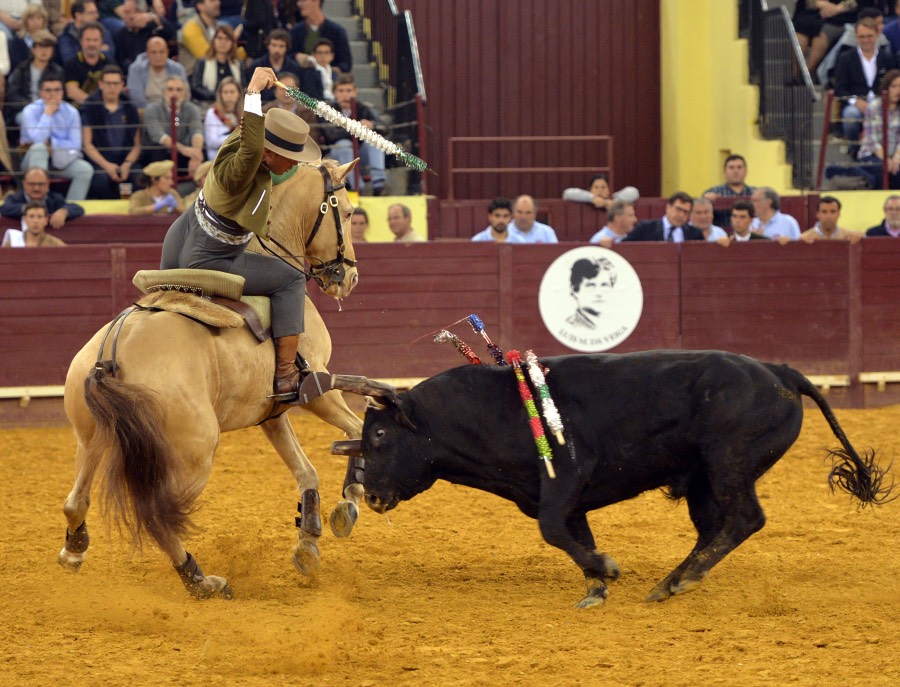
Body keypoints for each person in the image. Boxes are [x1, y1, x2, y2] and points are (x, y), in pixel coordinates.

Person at [160, 66, 323, 401]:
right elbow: (252, 149)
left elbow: (250, 132)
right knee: (291, 278)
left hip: (180, 237)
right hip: (211, 259)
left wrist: (256, 103)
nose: (294, 164)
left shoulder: (236, 141)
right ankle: (286, 374)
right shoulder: (245, 165)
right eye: (290, 157)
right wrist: (252, 91)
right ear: (268, 152)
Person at [20, 75, 95, 201]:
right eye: (48, 90)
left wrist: (52, 144)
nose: (53, 94)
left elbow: (75, 145)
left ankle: (70, 209)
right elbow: (38, 140)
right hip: (31, 163)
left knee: (85, 169)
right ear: (41, 93)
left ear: (62, 92)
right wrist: (48, 113)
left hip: (62, 161)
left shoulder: (71, 112)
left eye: (57, 90)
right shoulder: (30, 111)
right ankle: (37, 207)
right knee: (39, 148)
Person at [834, 17, 897, 153]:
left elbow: (893, 83)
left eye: (870, 36)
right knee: (851, 115)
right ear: (856, 37)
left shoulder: (887, 58)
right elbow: (839, 88)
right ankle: (854, 149)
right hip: (856, 104)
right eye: (862, 36)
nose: (866, 40)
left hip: (881, 103)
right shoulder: (845, 58)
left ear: (877, 36)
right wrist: (856, 101)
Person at [81, 64, 142, 199]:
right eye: (108, 83)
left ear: (122, 85)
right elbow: (87, 145)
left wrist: (127, 164)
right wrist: (106, 166)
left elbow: (137, 144)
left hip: (126, 159)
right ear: (101, 84)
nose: (112, 88)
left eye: (116, 83)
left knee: (139, 177)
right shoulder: (90, 107)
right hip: (100, 160)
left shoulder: (130, 107)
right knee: (100, 181)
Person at [321, 74, 385, 195]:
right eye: (341, 91)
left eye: (349, 91)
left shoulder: (363, 108)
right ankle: (358, 187)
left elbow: (384, 128)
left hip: (360, 155)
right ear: (334, 93)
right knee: (344, 145)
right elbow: (331, 135)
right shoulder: (328, 109)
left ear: (355, 92)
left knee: (375, 141)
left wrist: (373, 125)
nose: (345, 95)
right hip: (336, 157)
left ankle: (378, 184)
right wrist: (356, 128)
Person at [142, 75, 204, 177]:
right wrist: (183, 149)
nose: (174, 93)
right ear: (163, 92)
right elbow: (158, 135)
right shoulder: (152, 109)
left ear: (184, 94)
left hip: (183, 154)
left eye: (179, 90)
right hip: (160, 154)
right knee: (158, 150)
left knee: (202, 152)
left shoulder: (192, 109)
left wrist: (196, 154)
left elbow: (197, 131)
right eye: (170, 89)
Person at [4, 29, 63, 133]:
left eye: (48, 47)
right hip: (25, 109)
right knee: (26, 119)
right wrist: (31, 106)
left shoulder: (57, 71)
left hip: (51, 109)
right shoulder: (21, 69)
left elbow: (61, 95)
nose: (44, 51)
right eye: (40, 46)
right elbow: (12, 96)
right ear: (33, 49)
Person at [249, 28, 323, 103]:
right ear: (268, 46)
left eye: (281, 46)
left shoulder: (295, 68)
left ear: (286, 48)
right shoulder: (257, 66)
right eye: (274, 45)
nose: (277, 50)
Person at [0, 166, 85, 228]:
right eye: (32, 184)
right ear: (24, 184)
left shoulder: (54, 199)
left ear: (48, 184)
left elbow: (79, 209)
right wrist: (28, 209)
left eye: (41, 184)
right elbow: (4, 208)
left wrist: (65, 211)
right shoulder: (15, 198)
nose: (36, 188)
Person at [857, 69, 900, 188]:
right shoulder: (873, 107)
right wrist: (886, 158)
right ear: (887, 87)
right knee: (881, 169)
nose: (898, 90)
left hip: (895, 156)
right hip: (872, 154)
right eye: (894, 86)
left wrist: (896, 158)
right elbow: (872, 140)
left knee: (897, 171)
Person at [112, 0, 176, 74]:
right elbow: (120, 61)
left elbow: (171, 35)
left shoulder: (153, 28)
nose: (125, 16)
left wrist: (154, 18)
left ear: (140, 13)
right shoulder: (120, 35)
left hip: (160, 72)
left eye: (128, 12)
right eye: (125, 12)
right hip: (133, 74)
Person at [188, 22, 245, 104]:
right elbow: (196, 87)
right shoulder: (202, 62)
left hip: (235, 105)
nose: (223, 42)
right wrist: (218, 96)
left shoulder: (238, 64)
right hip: (208, 104)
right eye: (219, 38)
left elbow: (243, 87)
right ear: (213, 40)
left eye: (227, 39)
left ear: (232, 43)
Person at [126, 34, 186, 110]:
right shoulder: (136, 69)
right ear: (147, 53)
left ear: (167, 52)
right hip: (146, 109)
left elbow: (185, 94)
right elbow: (137, 98)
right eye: (154, 52)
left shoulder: (178, 69)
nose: (158, 56)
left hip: (173, 108)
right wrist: (154, 111)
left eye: (161, 52)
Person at [290, 0, 352, 74]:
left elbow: (346, 64)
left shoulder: (337, 31)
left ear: (316, 1)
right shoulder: (295, 31)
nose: (299, 4)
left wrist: (328, 72)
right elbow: (288, 56)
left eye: (303, 0)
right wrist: (297, 56)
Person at [63, 21, 114, 107]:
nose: (92, 44)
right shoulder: (71, 64)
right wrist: (95, 106)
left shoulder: (110, 64)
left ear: (102, 41)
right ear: (81, 41)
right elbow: (72, 91)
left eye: (95, 40)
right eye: (88, 40)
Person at [623, 191, 703, 242]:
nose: (681, 215)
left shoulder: (695, 234)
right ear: (668, 207)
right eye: (678, 209)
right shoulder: (645, 228)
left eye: (686, 212)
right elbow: (624, 247)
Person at [58, 2, 116, 66]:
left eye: (96, 12)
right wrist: (98, 50)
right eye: (91, 13)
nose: (96, 16)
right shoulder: (66, 36)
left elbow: (109, 55)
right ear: (78, 15)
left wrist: (85, 51)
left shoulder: (104, 32)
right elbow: (69, 60)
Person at [566, 257, 617, 330]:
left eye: (604, 285)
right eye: (590, 285)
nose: (599, 293)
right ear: (574, 290)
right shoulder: (571, 327)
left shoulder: (613, 324)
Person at [178, 0, 222, 74]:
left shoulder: (218, 26)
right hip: (194, 76)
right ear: (200, 6)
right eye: (212, 1)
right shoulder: (190, 27)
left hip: (216, 73)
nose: (218, 3)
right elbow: (206, 55)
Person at [203, 76, 241, 160]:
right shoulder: (213, 113)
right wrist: (237, 136)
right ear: (220, 94)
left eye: (232, 92)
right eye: (225, 92)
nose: (229, 95)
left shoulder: (243, 114)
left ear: (238, 94)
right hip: (218, 158)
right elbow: (211, 142)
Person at [1, 200, 66, 247]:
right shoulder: (13, 242)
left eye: (39, 217)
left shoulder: (56, 244)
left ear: (46, 220)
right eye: (31, 216)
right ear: (25, 219)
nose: (35, 221)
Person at [800, 195, 864, 243]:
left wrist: (861, 235)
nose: (828, 216)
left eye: (833, 211)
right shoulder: (805, 237)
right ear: (817, 214)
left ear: (838, 214)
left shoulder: (848, 235)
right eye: (824, 212)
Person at [562, 173, 640, 210]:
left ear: (609, 190)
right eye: (596, 187)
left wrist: (615, 203)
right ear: (590, 190)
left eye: (603, 187)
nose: (600, 190)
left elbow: (634, 192)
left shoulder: (614, 198)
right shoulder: (586, 197)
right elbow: (567, 193)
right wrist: (592, 198)